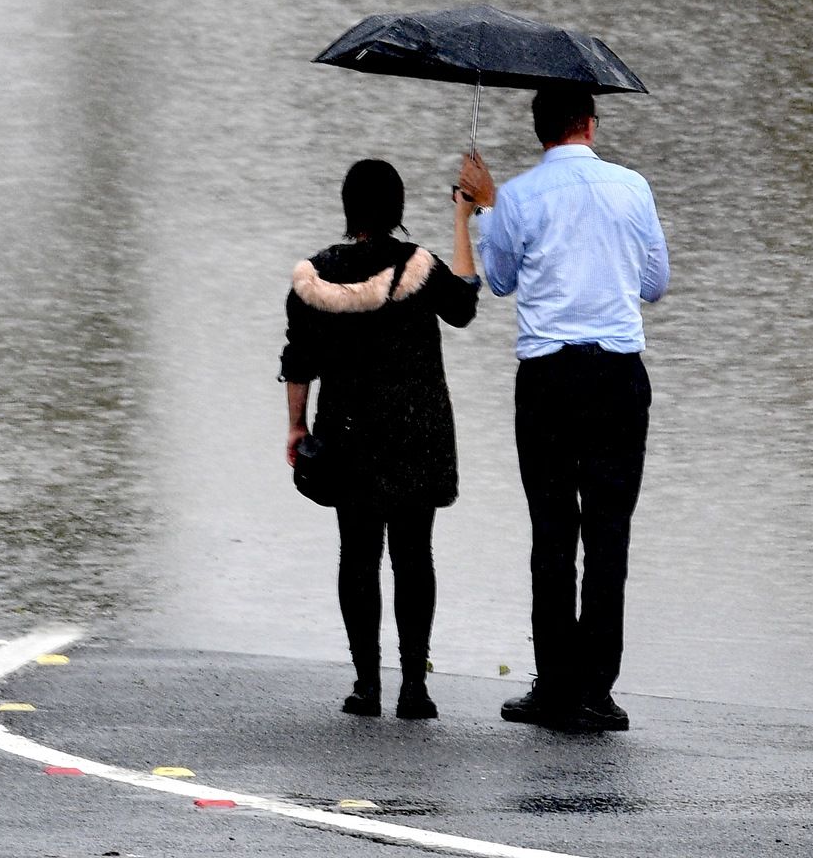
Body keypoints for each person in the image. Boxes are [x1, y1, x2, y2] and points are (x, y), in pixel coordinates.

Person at [457, 83, 670, 734]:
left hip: (548, 378)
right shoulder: (631, 187)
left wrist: (487, 205)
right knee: (610, 534)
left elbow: (498, 280)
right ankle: (597, 692)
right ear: (590, 124)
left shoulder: (518, 195)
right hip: (618, 375)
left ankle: (554, 686)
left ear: (540, 130)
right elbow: (656, 285)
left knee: (553, 534)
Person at [281, 158, 481, 720]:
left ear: (349, 210)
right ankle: (414, 687)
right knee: (415, 555)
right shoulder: (419, 266)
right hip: (417, 432)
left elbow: (299, 360)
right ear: (397, 210)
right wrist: (463, 219)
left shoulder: (313, 278)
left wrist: (296, 425)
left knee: (358, 554)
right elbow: (464, 307)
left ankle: (365, 686)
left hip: (348, 434)